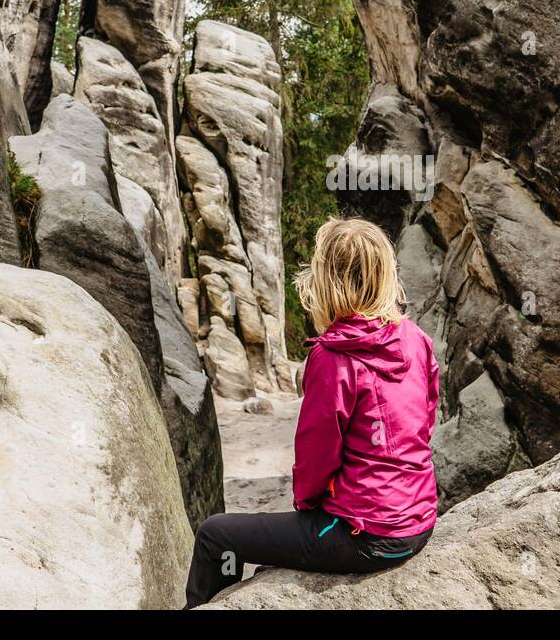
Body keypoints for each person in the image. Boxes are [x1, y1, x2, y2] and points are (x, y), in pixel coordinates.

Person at [184, 217, 440, 608]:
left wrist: (308, 506)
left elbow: (317, 456)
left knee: (216, 535)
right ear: (386, 275)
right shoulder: (415, 338)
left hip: (366, 537)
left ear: (326, 282)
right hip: (418, 522)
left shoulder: (333, 355)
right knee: (267, 553)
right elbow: (425, 417)